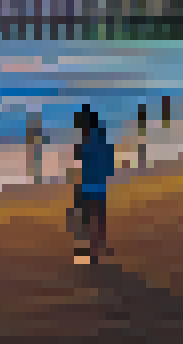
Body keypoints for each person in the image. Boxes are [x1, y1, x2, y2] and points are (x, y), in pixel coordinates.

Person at [69, 106, 114, 263]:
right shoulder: (100, 137)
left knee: (88, 218)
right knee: (97, 217)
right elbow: (109, 160)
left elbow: (80, 159)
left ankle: (92, 251)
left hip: (89, 184)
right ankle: (98, 248)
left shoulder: (87, 140)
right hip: (98, 183)